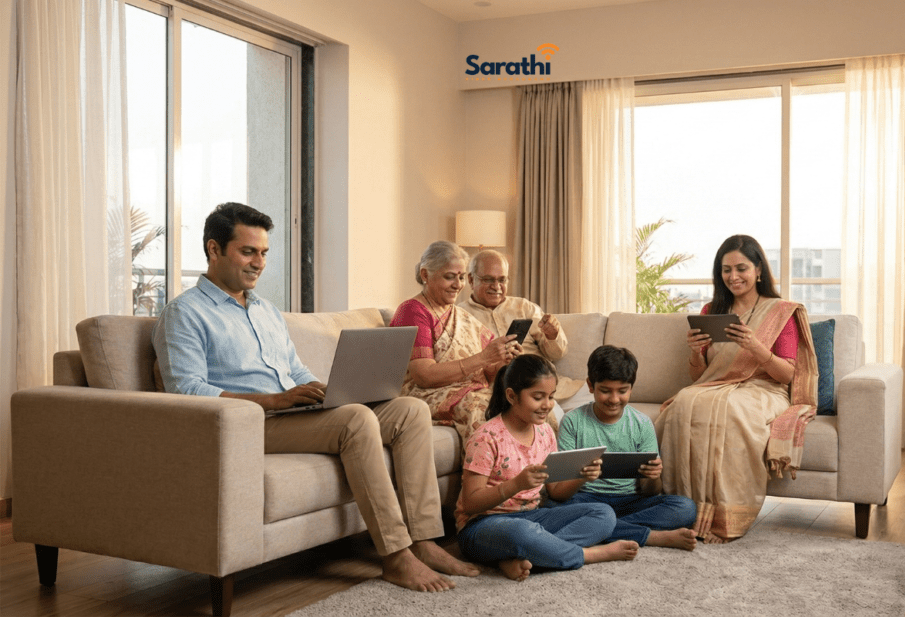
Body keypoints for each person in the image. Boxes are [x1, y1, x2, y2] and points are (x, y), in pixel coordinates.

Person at [152, 203, 479, 592]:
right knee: (356, 421)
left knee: (408, 409)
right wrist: (274, 400)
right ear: (213, 250)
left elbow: (295, 370)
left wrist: (331, 390)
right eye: (248, 251)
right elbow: (186, 391)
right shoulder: (185, 314)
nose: (259, 262)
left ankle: (424, 541)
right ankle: (395, 555)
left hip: (293, 414)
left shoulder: (266, 311)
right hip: (252, 424)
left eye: (264, 253)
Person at [655, 234, 818, 544]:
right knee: (684, 402)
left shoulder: (780, 311)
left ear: (758, 270)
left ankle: (723, 519)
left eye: (741, 268)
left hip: (763, 391)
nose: (733, 277)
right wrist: (694, 351)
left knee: (730, 408)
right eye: (726, 270)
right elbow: (699, 378)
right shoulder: (710, 310)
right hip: (716, 386)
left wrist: (755, 347)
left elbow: (785, 376)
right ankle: (680, 511)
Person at [454, 354, 640, 582]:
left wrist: (581, 476)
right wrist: (516, 485)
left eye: (551, 397)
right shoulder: (486, 437)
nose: (548, 405)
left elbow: (556, 493)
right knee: (522, 533)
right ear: (512, 396)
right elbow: (471, 503)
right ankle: (587, 554)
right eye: (538, 397)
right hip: (482, 525)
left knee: (603, 514)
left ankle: (526, 554)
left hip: (533, 517)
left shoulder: (544, 432)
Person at [555, 345, 698, 551]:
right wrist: (583, 476)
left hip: (629, 502)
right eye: (605, 391)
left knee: (685, 508)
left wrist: (652, 476)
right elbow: (560, 493)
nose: (614, 399)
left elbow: (652, 492)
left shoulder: (642, 423)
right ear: (590, 385)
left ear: (631, 387)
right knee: (550, 508)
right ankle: (650, 536)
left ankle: (604, 528)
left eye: (622, 391)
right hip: (584, 500)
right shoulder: (572, 422)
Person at [390, 241, 523, 450]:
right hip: (424, 395)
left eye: (461, 277)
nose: (458, 284)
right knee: (480, 407)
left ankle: (538, 477)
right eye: (449, 276)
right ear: (425, 275)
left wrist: (504, 360)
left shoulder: (460, 316)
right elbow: (424, 376)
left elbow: (489, 371)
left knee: (523, 401)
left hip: (469, 389)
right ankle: (484, 481)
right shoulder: (413, 311)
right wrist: (485, 357)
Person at [458, 250, 584, 407]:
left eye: (502, 280)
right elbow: (461, 366)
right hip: (502, 392)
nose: (496, 286)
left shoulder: (524, 307)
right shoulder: (459, 316)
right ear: (471, 279)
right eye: (488, 279)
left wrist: (552, 335)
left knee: (599, 401)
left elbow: (557, 353)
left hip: (553, 385)